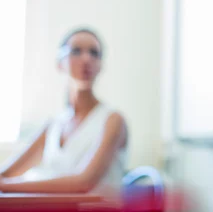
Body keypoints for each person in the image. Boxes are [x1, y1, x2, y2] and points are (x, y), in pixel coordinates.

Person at [0, 28, 128, 194]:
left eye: (94, 53)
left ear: (100, 65)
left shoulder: (113, 120)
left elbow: (84, 182)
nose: (86, 58)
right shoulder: (54, 124)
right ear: (60, 63)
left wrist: (6, 187)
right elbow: (8, 172)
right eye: (76, 51)